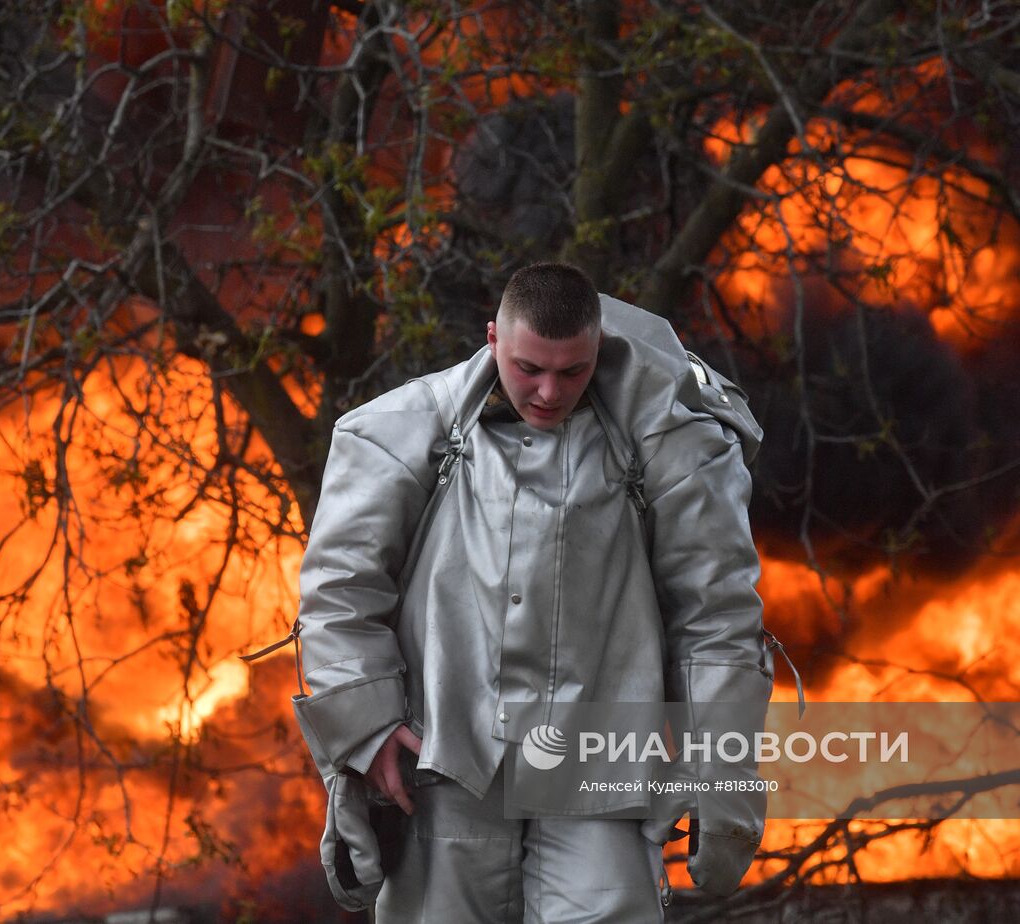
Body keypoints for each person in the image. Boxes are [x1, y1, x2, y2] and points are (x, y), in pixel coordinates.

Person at [288, 262, 772, 922]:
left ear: (598, 348)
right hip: (446, 757)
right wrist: (365, 726)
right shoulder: (399, 432)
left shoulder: (673, 445)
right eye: (529, 368)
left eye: (571, 371)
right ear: (493, 339)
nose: (548, 391)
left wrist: (720, 767)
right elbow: (341, 589)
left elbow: (715, 610)